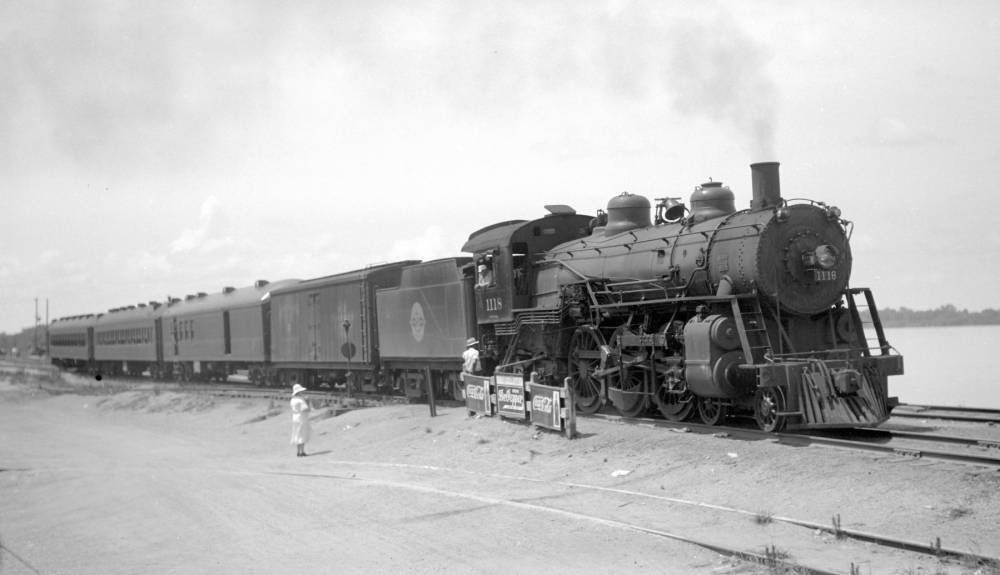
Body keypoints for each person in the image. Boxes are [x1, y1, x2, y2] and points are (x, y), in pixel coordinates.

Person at [289, 383, 312, 457]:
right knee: (302, 434)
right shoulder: (300, 400)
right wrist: (308, 402)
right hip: (301, 417)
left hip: (295, 417)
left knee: (297, 433)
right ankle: (302, 451)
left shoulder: (292, 400)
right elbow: (306, 409)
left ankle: (298, 451)